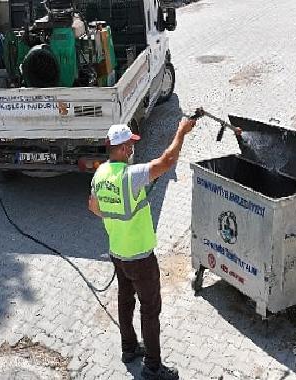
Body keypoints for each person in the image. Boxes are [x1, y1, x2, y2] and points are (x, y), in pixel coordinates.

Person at [88, 118, 196, 380]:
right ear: (124, 149)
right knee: (150, 309)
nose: (133, 150)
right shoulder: (130, 176)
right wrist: (181, 131)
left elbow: (92, 206)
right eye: (131, 146)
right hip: (140, 258)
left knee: (125, 301)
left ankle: (129, 349)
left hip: (117, 254)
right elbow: (167, 162)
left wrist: (114, 220)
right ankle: (153, 367)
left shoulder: (100, 173)